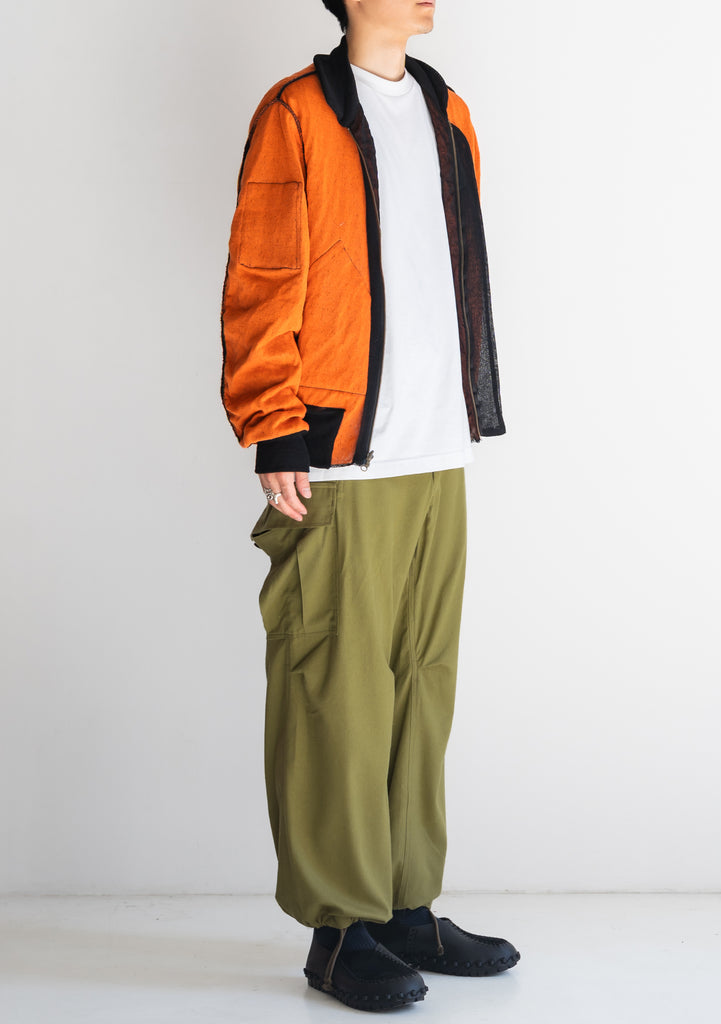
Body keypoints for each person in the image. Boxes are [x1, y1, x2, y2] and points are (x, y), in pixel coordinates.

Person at [220, 0, 519, 1011]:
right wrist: (274, 421)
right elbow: (263, 272)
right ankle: (338, 931)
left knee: (421, 683)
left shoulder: (447, 110)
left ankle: (404, 904)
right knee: (336, 689)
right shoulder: (297, 112)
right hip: (343, 453)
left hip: (438, 443)